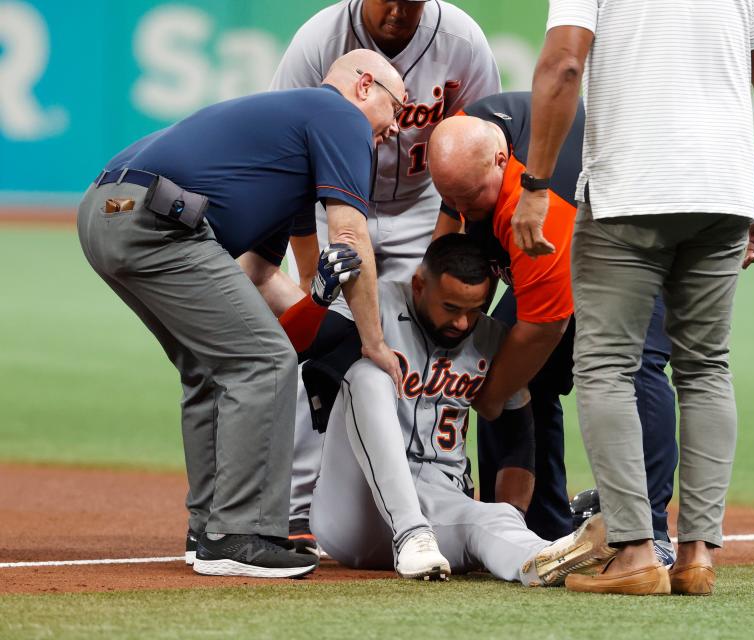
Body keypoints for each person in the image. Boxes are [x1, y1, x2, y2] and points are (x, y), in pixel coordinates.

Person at [77, 49, 406, 579]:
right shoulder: (341, 116)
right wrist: (372, 341)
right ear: (365, 86)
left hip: (108, 212)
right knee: (261, 362)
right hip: (155, 222)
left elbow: (254, 276)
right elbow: (350, 237)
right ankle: (238, 535)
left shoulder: (286, 155)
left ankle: (209, 525)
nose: (397, 126)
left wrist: (317, 309)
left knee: (214, 366)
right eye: (398, 105)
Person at [511, 0, 754, 595]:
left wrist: (535, 184)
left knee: (606, 367)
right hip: (724, 190)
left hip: (630, 189)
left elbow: (563, 65)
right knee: (706, 368)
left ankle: (636, 552)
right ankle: (695, 558)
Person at [270, 0, 502, 548]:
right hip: (332, 207)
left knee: (415, 348)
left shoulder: (462, 41)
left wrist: (445, 247)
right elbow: (289, 161)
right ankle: (299, 508)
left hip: (425, 210)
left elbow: (484, 145)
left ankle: (417, 491)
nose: (398, 9)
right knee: (321, 348)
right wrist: (309, 277)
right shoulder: (318, 40)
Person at [427, 93, 677, 558]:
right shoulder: (463, 139)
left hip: (635, 237)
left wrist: (491, 395)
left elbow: (544, 327)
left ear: (502, 163)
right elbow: (447, 237)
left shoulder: (535, 210)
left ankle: (651, 534)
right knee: (498, 358)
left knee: (632, 368)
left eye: (471, 196)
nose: (464, 207)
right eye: (452, 196)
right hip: (560, 237)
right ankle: (533, 531)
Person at [309, 233, 616, 585]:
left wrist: (512, 517)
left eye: (474, 310)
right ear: (420, 285)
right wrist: (317, 299)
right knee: (367, 375)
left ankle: (546, 560)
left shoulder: (492, 338)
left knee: (495, 517)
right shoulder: (375, 304)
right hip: (352, 508)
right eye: (451, 308)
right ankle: (410, 532)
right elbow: (299, 346)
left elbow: (519, 438)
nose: (461, 323)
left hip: (438, 507)